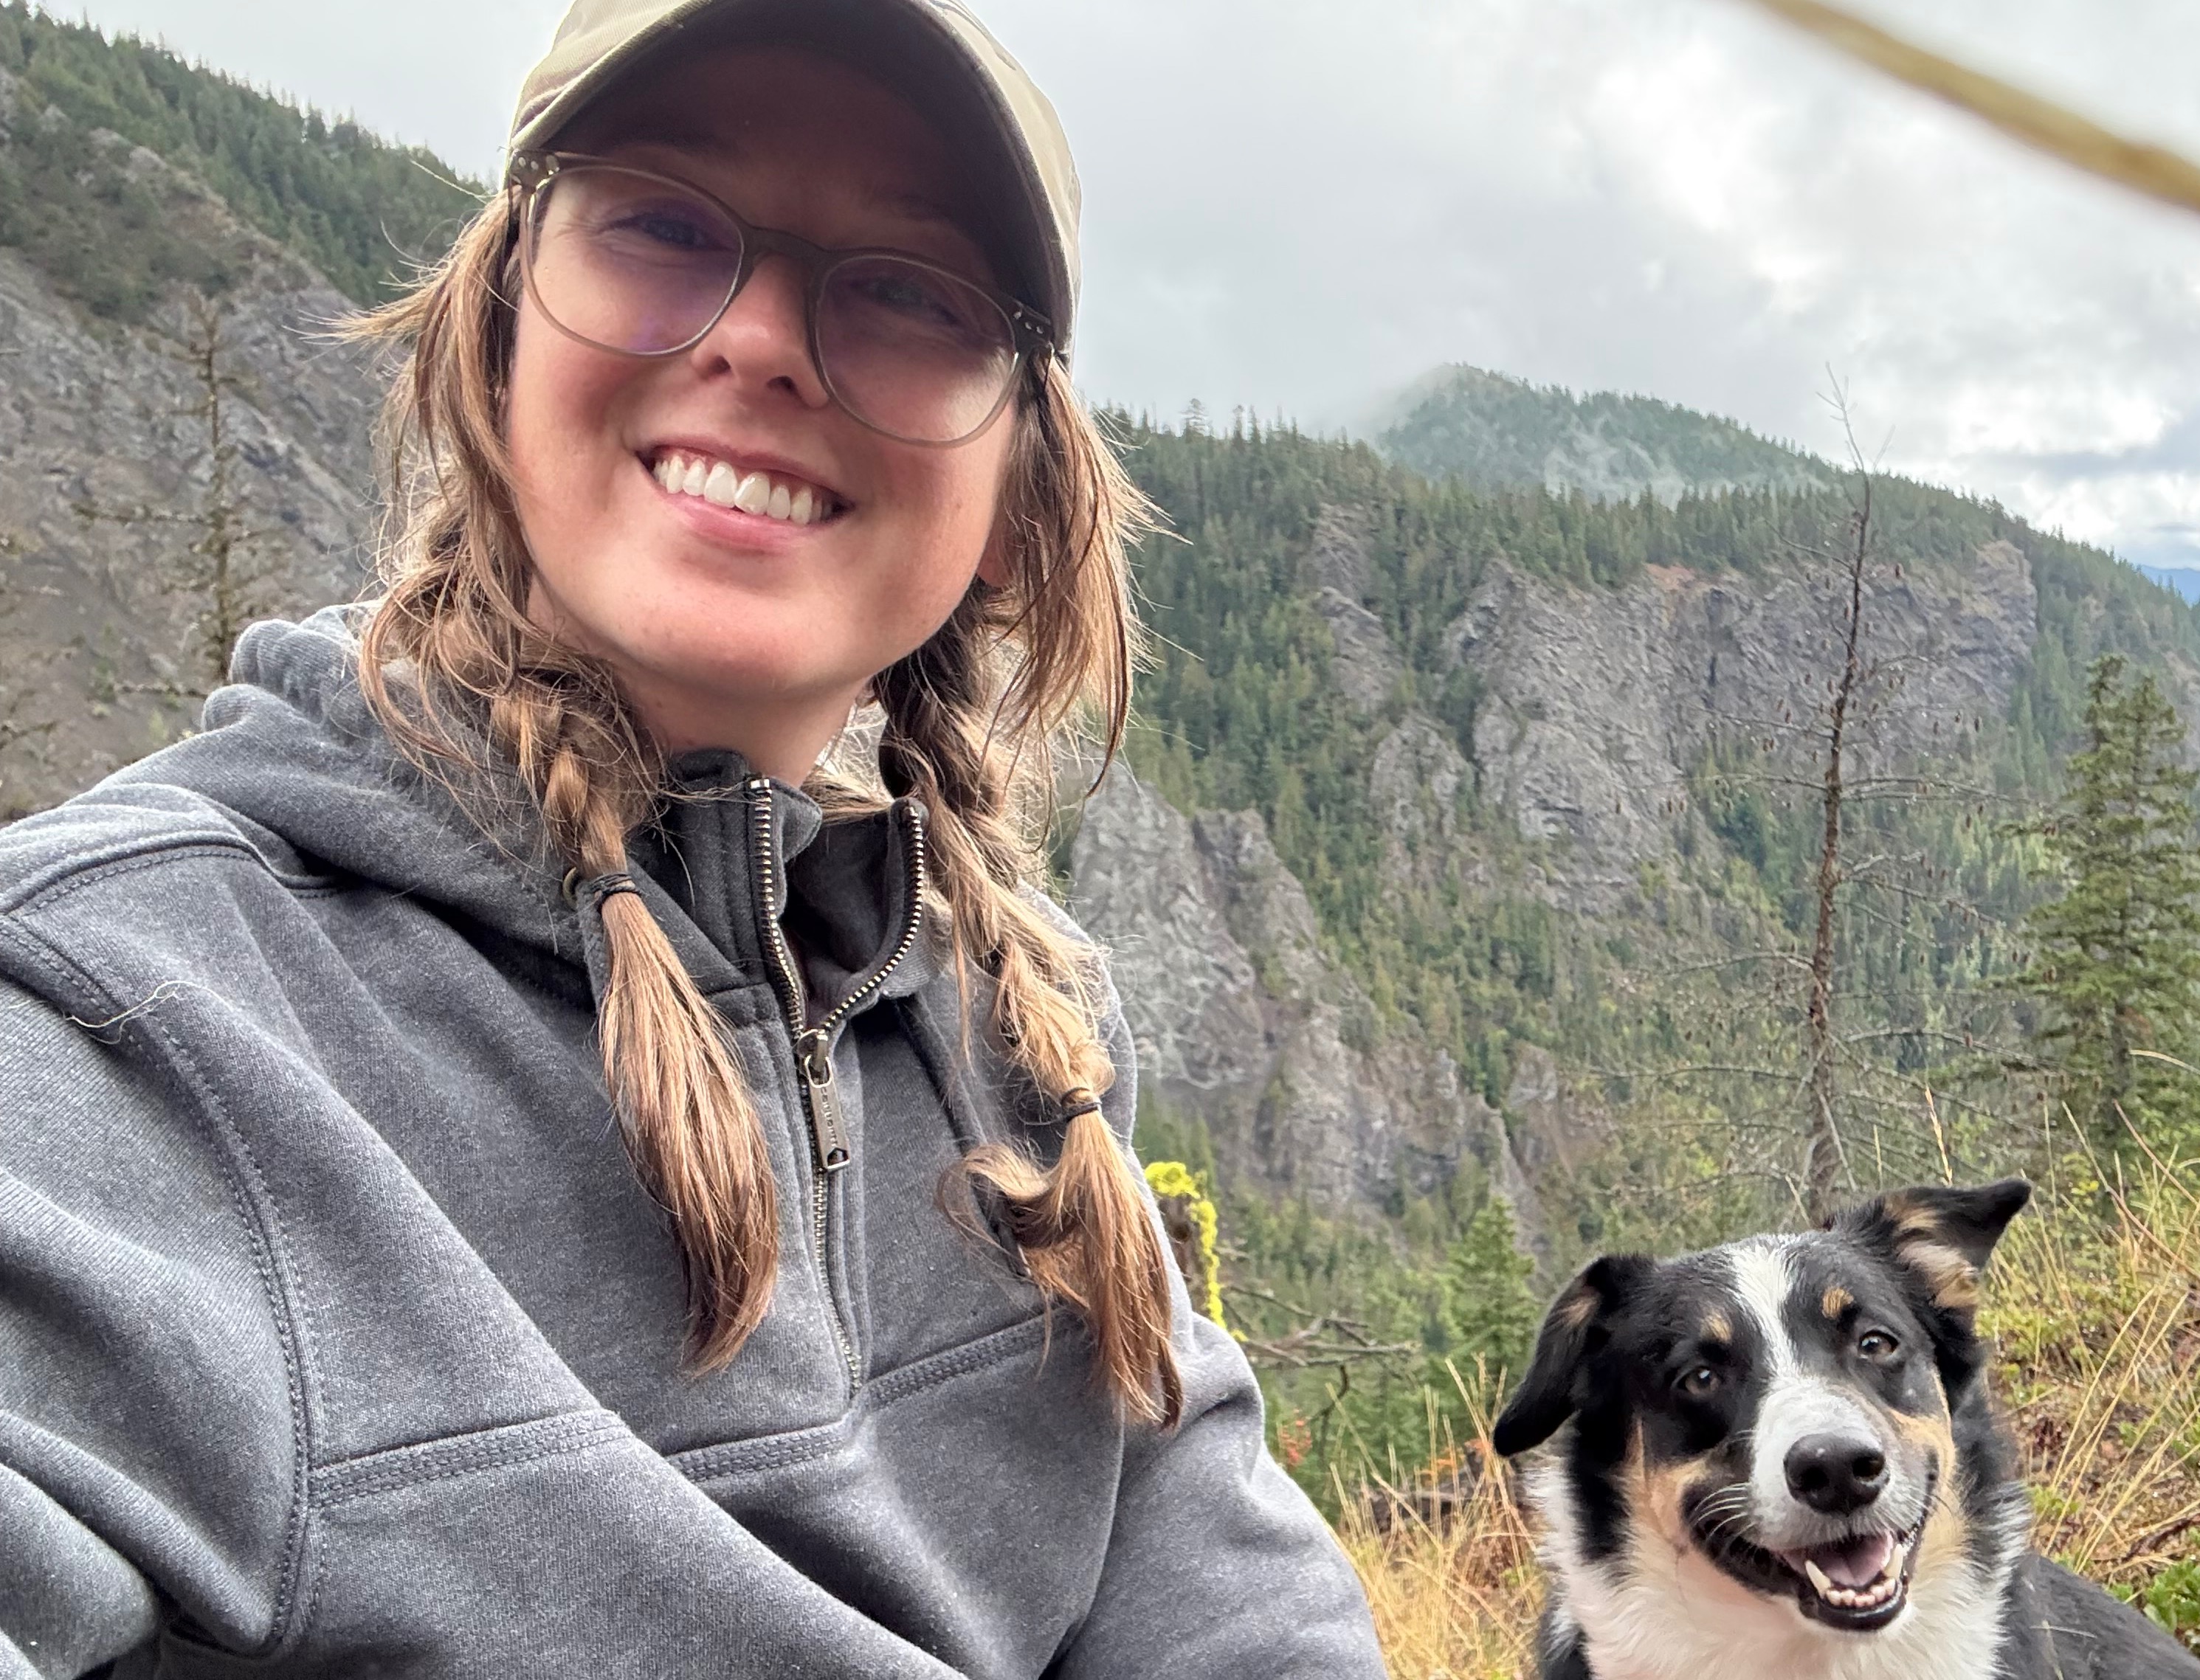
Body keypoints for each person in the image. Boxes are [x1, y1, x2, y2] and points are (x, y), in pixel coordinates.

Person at [0, 1, 1387, 1673]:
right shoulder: (122, 1018)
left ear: (1018, 495)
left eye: (913, 290)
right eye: (661, 222)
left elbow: (1228, 1599)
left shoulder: (1021, 1036)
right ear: (499, 328)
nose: (765, 342)